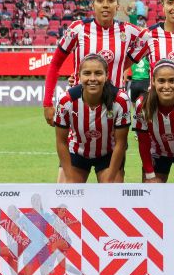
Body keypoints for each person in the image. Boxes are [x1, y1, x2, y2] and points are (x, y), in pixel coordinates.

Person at [43, 0, 143, 126]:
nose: (105, 5)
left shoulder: (128, 31)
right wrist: (47, 103)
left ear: (118, 6)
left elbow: (152, 46)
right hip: (79, 104)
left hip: (115, 106)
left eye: (110, 0)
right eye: (100, 0)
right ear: (93, 5)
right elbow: (55, 64)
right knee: (75, 147)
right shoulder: (78, 29)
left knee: (116, 147)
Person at [54, 53, 130, 183]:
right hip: (77, 152)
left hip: (109, 153)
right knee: (67, 195)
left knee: (110, 196)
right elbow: (61, 141)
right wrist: (69, 177)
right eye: (87, 73)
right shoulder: (66, 101)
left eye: (98, 73)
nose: (93, 78)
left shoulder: (120, 100)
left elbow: (121, 143)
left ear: (106, 76)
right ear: (79, 76)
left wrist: (110, 178)